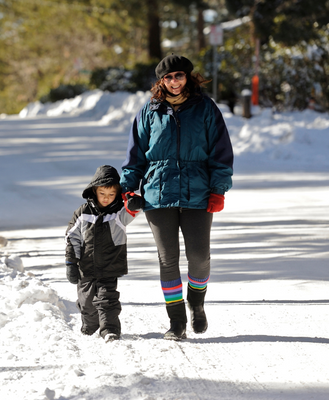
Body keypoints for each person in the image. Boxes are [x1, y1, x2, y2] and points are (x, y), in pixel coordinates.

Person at [120, 54, 234, 340]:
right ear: (161, 81)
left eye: (179, 76)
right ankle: (177, 321)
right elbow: (136, 155)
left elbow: (221, 152)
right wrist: (128, 188)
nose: (174, 82)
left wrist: (218, 189)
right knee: (167, 259)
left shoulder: (206, 108)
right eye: (168, 77)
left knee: (198, 256)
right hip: (157, 194)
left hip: (198, 191)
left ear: (188, 77)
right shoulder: (149, 112)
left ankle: (196, 302)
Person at [65, 165, 144, 342]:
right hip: (85, 267)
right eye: (102, 193)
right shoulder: (83, 213)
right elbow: (72, 237)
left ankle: (109, 329)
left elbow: (133, 210)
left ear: (117, 194)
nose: (106, 198)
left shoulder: (119, 214)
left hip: (110, 266)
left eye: (111, 194)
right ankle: (90, 325)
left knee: (107, 300)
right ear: (94, 190)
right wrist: (71, 263)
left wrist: (134, 201)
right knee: (86, 302)